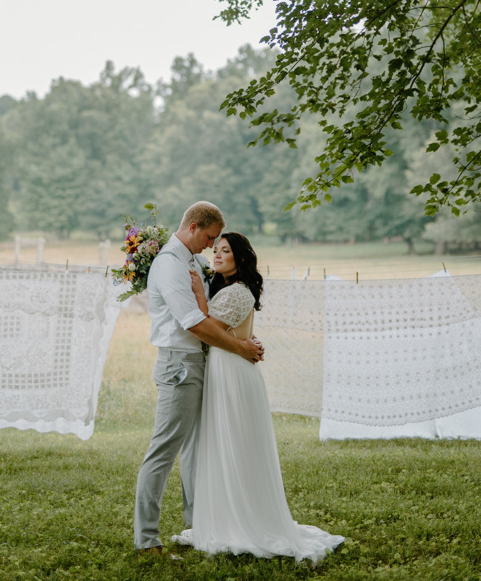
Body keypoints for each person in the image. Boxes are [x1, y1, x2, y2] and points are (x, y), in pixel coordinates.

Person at [173, 231, 344, 562]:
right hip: (224, 370)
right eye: (216, 250)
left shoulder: (238, 292)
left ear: (240, 257)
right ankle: (227, 516)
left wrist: (197, 293)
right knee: (223, 443)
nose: (217, 255)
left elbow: (209, 327)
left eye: (225, 251)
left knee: (237, 443)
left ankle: (246, 519)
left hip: (234, 374)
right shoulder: (227, 288)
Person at [134, 203, 264, 556]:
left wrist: (241, 339)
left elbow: (220, 311)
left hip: (202, 363)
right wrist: (240, 348)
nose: (211, 246)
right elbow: (193, 322)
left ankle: (199, 527)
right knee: (164, 451)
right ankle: (147, 539)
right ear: (194, 227)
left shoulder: (192, 260)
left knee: (195, 451)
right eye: (209, 238)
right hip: (180, 366)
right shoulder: (170, 265)